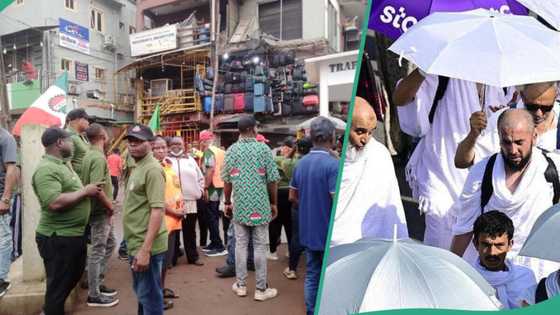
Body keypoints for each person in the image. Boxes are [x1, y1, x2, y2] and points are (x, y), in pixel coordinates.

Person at [393, 69, 514, 249]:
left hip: (483, 182)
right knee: (439, 255)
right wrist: (423, 69)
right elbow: (400, 98)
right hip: (441, 177)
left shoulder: (502, 76)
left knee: (477, 255)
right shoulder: (442, 69)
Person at [451, 109, 560, 280]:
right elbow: (464, 226)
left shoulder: (553, 170)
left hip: (537, 273)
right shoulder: (482, 171)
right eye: (507, 143)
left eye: (519, 142)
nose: (513, 150)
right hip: (491, 270)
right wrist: (450, 270)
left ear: (534, 137)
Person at [32, 127, 101, 315]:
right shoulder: (46, 169)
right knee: (57, 286)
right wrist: (85, 191)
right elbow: (53, 202)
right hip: (57, 238)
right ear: (60, 143)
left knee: (70, 279)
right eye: (70, 140)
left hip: (72, 235)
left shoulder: (62, 165)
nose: (73, 144)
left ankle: (50, 310)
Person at [331, 97, 408, 246]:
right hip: (336, 244)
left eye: (371, 132)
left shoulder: (380, 154)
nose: (365, 139)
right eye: (360, 132)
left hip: (374, 242)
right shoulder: (332, 158)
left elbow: (391, 206)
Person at [222, 115, 280, 301]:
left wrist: (227, 203)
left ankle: (241, 286)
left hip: (240, 206)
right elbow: (272, 180)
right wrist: (273, 203)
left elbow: (227, 181)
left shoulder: (231, 150)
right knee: (260, 247)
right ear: (253, 129)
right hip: (261, 206)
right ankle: (261, 290)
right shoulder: (264, 149)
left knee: (240, 245)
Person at [289, 117, 339, 315]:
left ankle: (312, 311)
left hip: (308, 230)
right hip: (328, 231)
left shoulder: (301, 164)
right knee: (330, 275)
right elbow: (336, 200)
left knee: (312, 274)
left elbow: (293, 196)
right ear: (331, 137)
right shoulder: (333, 165)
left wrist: (310, 204)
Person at [455, 82, 560, 168]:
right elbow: (462, 162)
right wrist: (473, 135)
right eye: (532, 106)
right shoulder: (502, 119)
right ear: (522, 96)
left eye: (546, 108)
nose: (539, 113)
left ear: (555, 98)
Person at [122, 124, 167, 315]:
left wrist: (145, 251)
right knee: (143, 295)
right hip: (137, 242)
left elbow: (157, 210)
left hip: (146, 245)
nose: (133, 146)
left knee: (151, 298)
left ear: (150, 144)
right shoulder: (138, 166)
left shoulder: (152, 170)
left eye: (138, 142)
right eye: (130, 142)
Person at [80, 123, 119, 307]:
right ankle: (94, 294)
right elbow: (96, 188)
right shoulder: (97, 157)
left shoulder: (90, 155)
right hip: (99, 211)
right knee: (98, 249)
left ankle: (97, 281)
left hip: (96, 209)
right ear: (103, 135)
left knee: (110, 243)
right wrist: (110, 206)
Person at [471, 211, 535, 309]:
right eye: (486, 245)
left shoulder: (525, 277)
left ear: (510, 245)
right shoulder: (466, 278)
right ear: (476, 244)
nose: (492, 252)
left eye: (499, 245)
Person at [152, 136, 184, 310]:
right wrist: (175, 212)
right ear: (150, 149)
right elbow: (156, 200)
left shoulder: (167, 165)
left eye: (163, 147)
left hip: (172, 221)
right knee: (159, 263)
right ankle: (156, 296)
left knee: (165, 262)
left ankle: (161, 289)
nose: (161, 150)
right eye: (157, 148)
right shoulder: (153, 169)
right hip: (162, 221)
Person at [167, 136, 205, 266]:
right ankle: (172, 258)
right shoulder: (166, 160)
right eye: (173, 144)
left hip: (190, 200)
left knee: (190, 230)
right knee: (173, 230)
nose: (176, 146)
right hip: (173, 202)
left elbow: (200, 177)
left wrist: (199, 191)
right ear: (169, 146)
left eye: (179, 143)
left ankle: (193, 257)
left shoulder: (190, 160)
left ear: (184, 145)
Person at [283, 137, 312, 280]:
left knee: (296, 237)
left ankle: (292, 269)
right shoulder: (322, 163)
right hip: (315, 205)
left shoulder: (294, 164)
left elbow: (291, 196)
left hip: (298, 205)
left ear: (298, 149)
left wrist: (294, 148)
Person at [199, 130, 227, 257]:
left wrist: (205, 187)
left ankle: (218, 245)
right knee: (214, 216)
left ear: (203, 141)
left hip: (212, 187)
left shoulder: (209, 152)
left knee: (211, 216)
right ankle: (214, 242)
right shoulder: (220, 151)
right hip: (221, 185)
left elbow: (210, 170)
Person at [268, 137, 296, 261]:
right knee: (290, 224)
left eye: (284, 147)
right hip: (291, 193)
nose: (282, 149)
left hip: (277, 193)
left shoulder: (277, 159)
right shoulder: (296, 161)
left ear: (286, 148)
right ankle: (291, 251)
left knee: (274, 223)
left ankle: (273, 252)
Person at [0, 127, 18, 297]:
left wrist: (5, 198)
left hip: (0, 197)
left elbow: (11, 169)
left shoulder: (6, 138)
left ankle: (1, 279)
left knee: (3, 237)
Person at [65, 108, 90, 177]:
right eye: (86, 119)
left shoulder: (80, 136)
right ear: (79, 120)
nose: (88, 123)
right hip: (78, 184)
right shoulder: (68, 136)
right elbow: (66, 162)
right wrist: (75, 181)